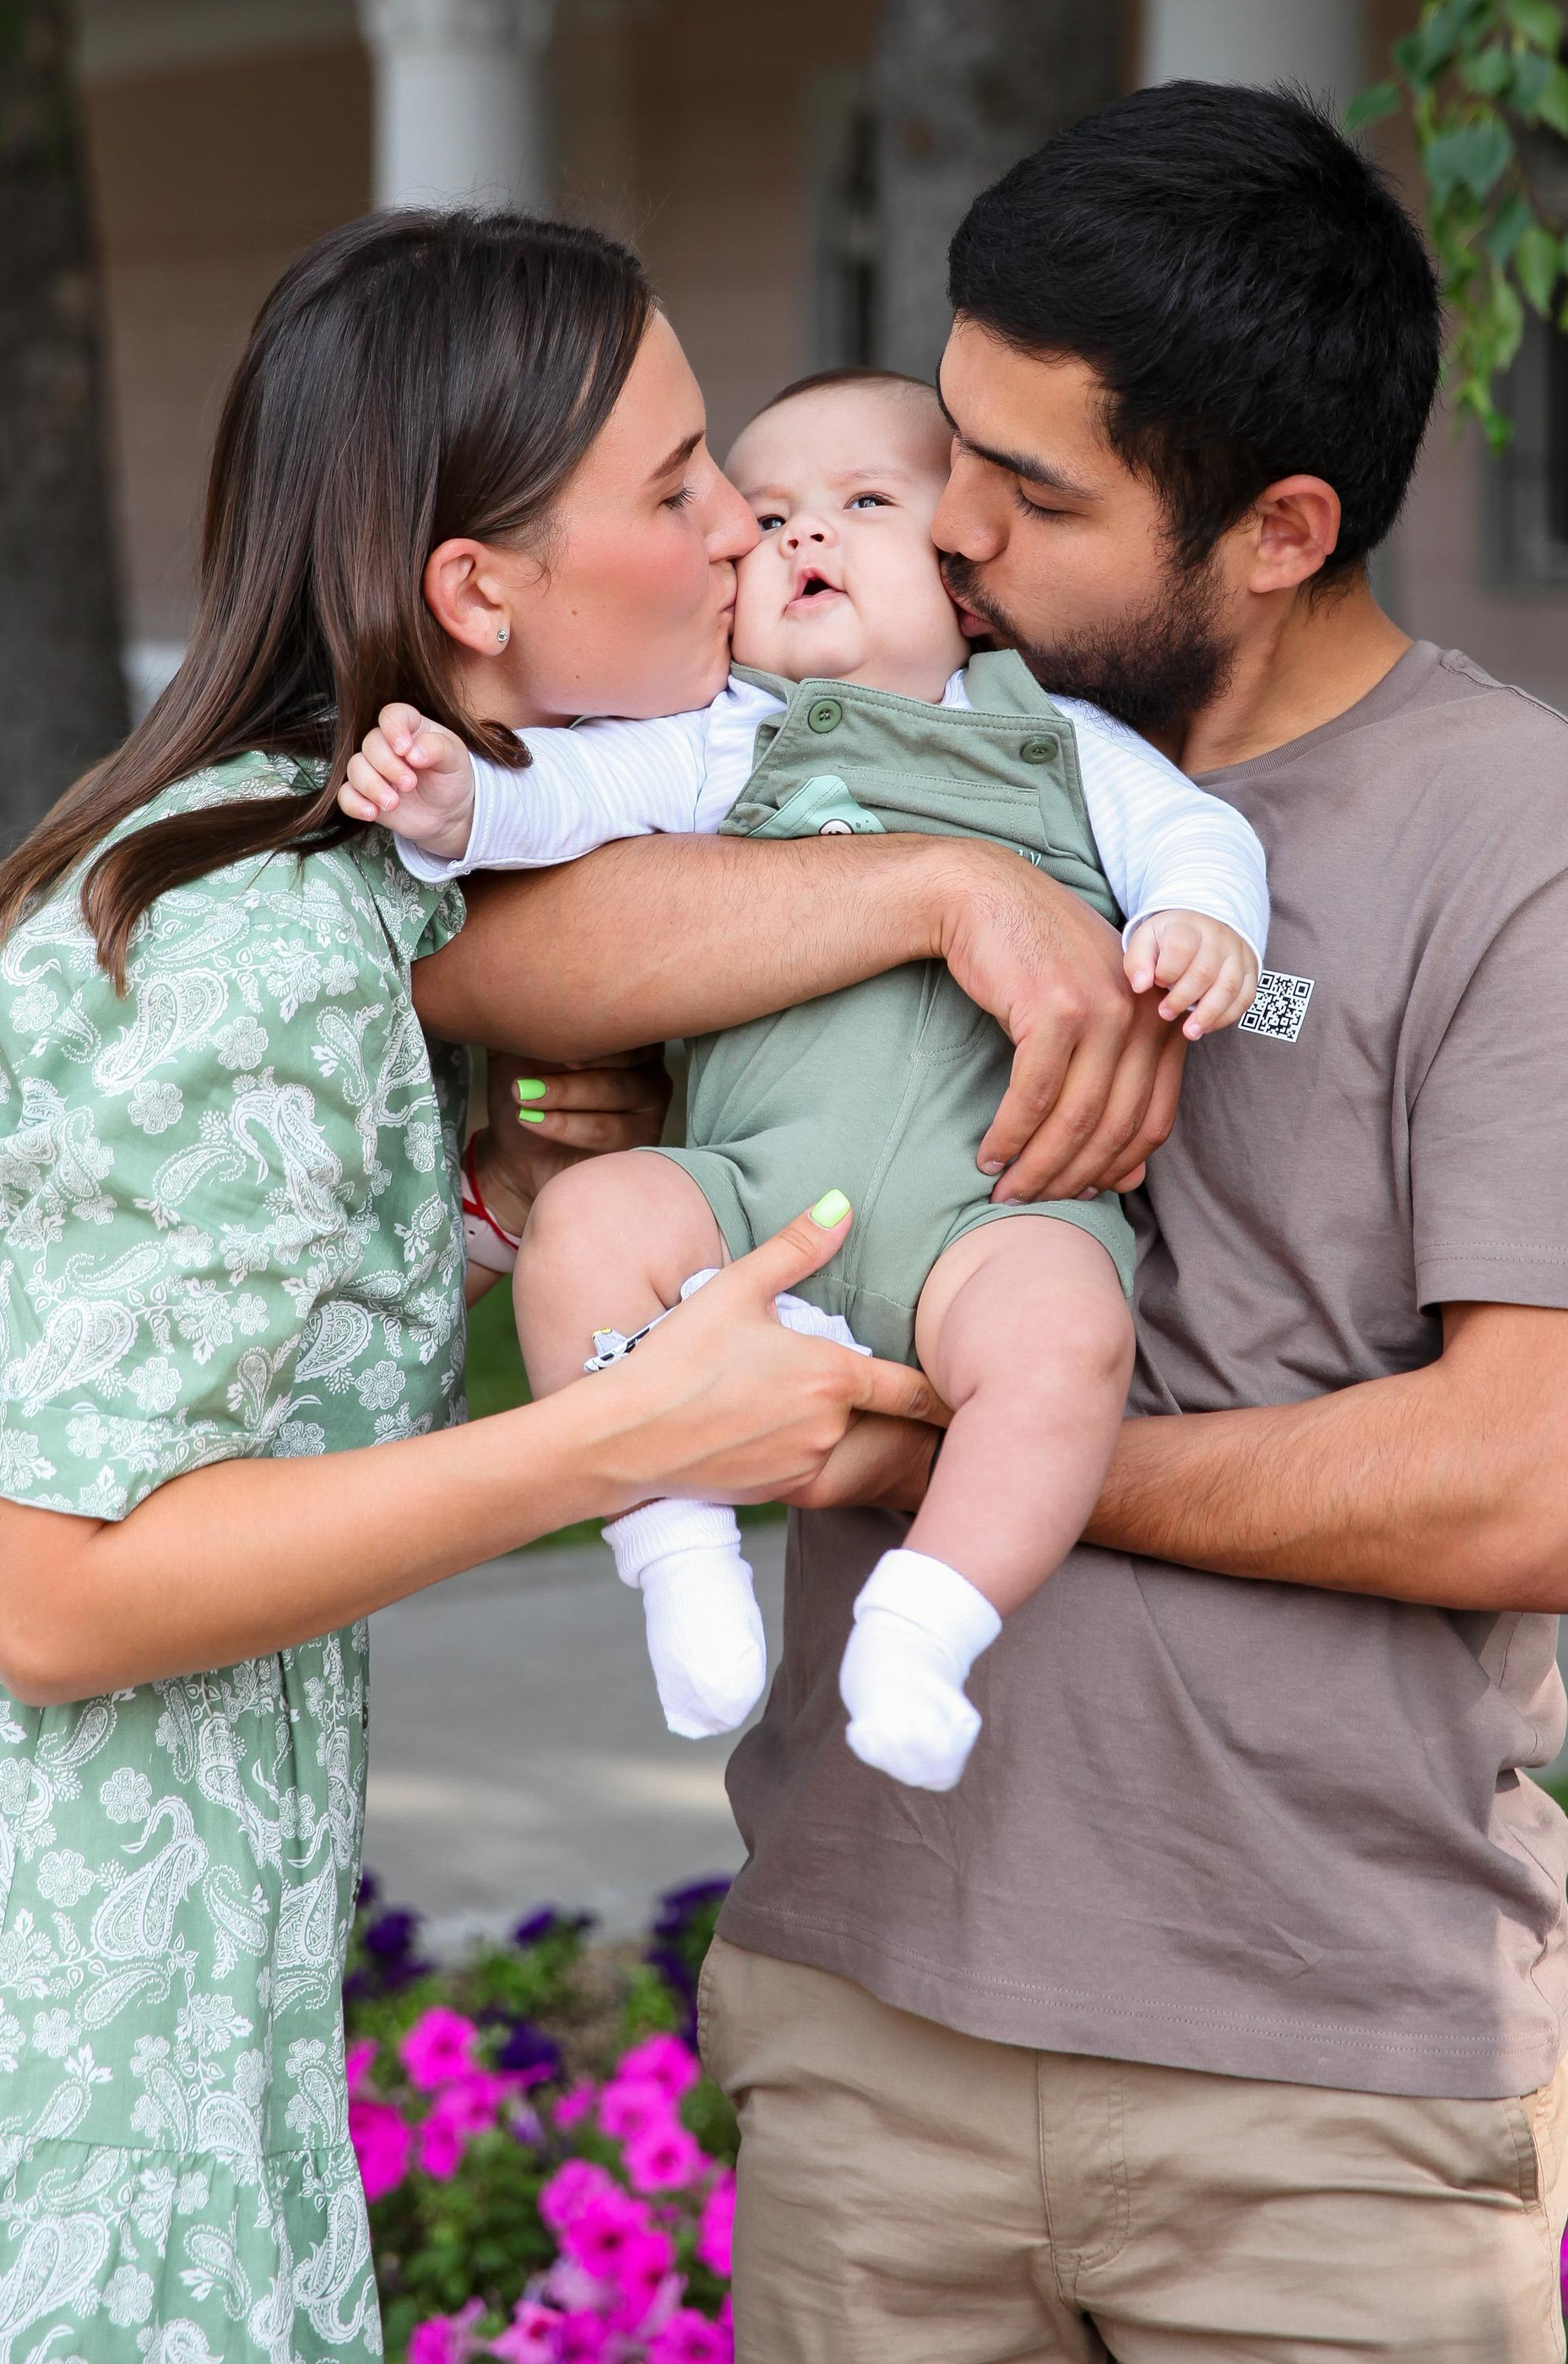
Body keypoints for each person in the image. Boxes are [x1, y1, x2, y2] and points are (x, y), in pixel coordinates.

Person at [419, 87, 1568, 2364]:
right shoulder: (833, 732)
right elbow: (492, 958)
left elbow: (1539, 1479)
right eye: (955, 449)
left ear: (1281, 525)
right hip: (865, 2011)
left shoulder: (1532, 851)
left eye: (1034, 493)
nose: (958, 528)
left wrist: (923, 1456)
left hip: (1324, 2073)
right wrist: (937, 885)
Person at [0, 212, 978, 2364]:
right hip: (24, 1903)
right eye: (681, 480)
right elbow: (55, 1590)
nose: (742, 535)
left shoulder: (282, 845)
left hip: (16, 1837)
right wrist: (619, 1440)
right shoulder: (268, 943)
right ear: (474, 592)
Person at [338, 367, 1267, 1791]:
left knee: (1066, 1345)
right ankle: (671, 1547)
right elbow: (566, 806)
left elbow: (1195, 836)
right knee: (588, 1231)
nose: (799, 538)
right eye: (764, 517)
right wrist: (463, 806)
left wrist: (1197, 924)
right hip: (748, 1196)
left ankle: (924, 1623)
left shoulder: (1054, 733)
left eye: (863, 505)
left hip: (993, 1210)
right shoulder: (729, 738)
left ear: (963, 583)